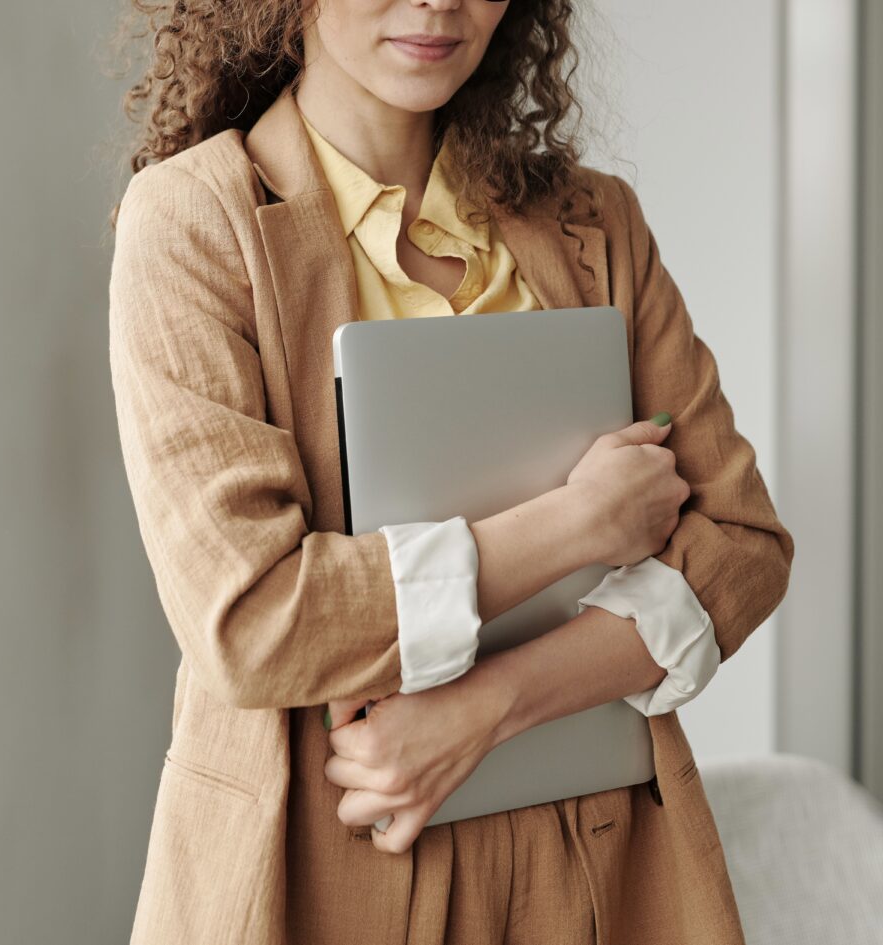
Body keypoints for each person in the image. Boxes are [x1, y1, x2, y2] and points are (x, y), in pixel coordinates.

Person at [106, 2, 795, 943]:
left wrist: (485, 710)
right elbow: (254, 617)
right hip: (320, 865)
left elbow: (741, 545)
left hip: (601, 857)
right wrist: (577, 525)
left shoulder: (594, 222)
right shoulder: (195, 221)